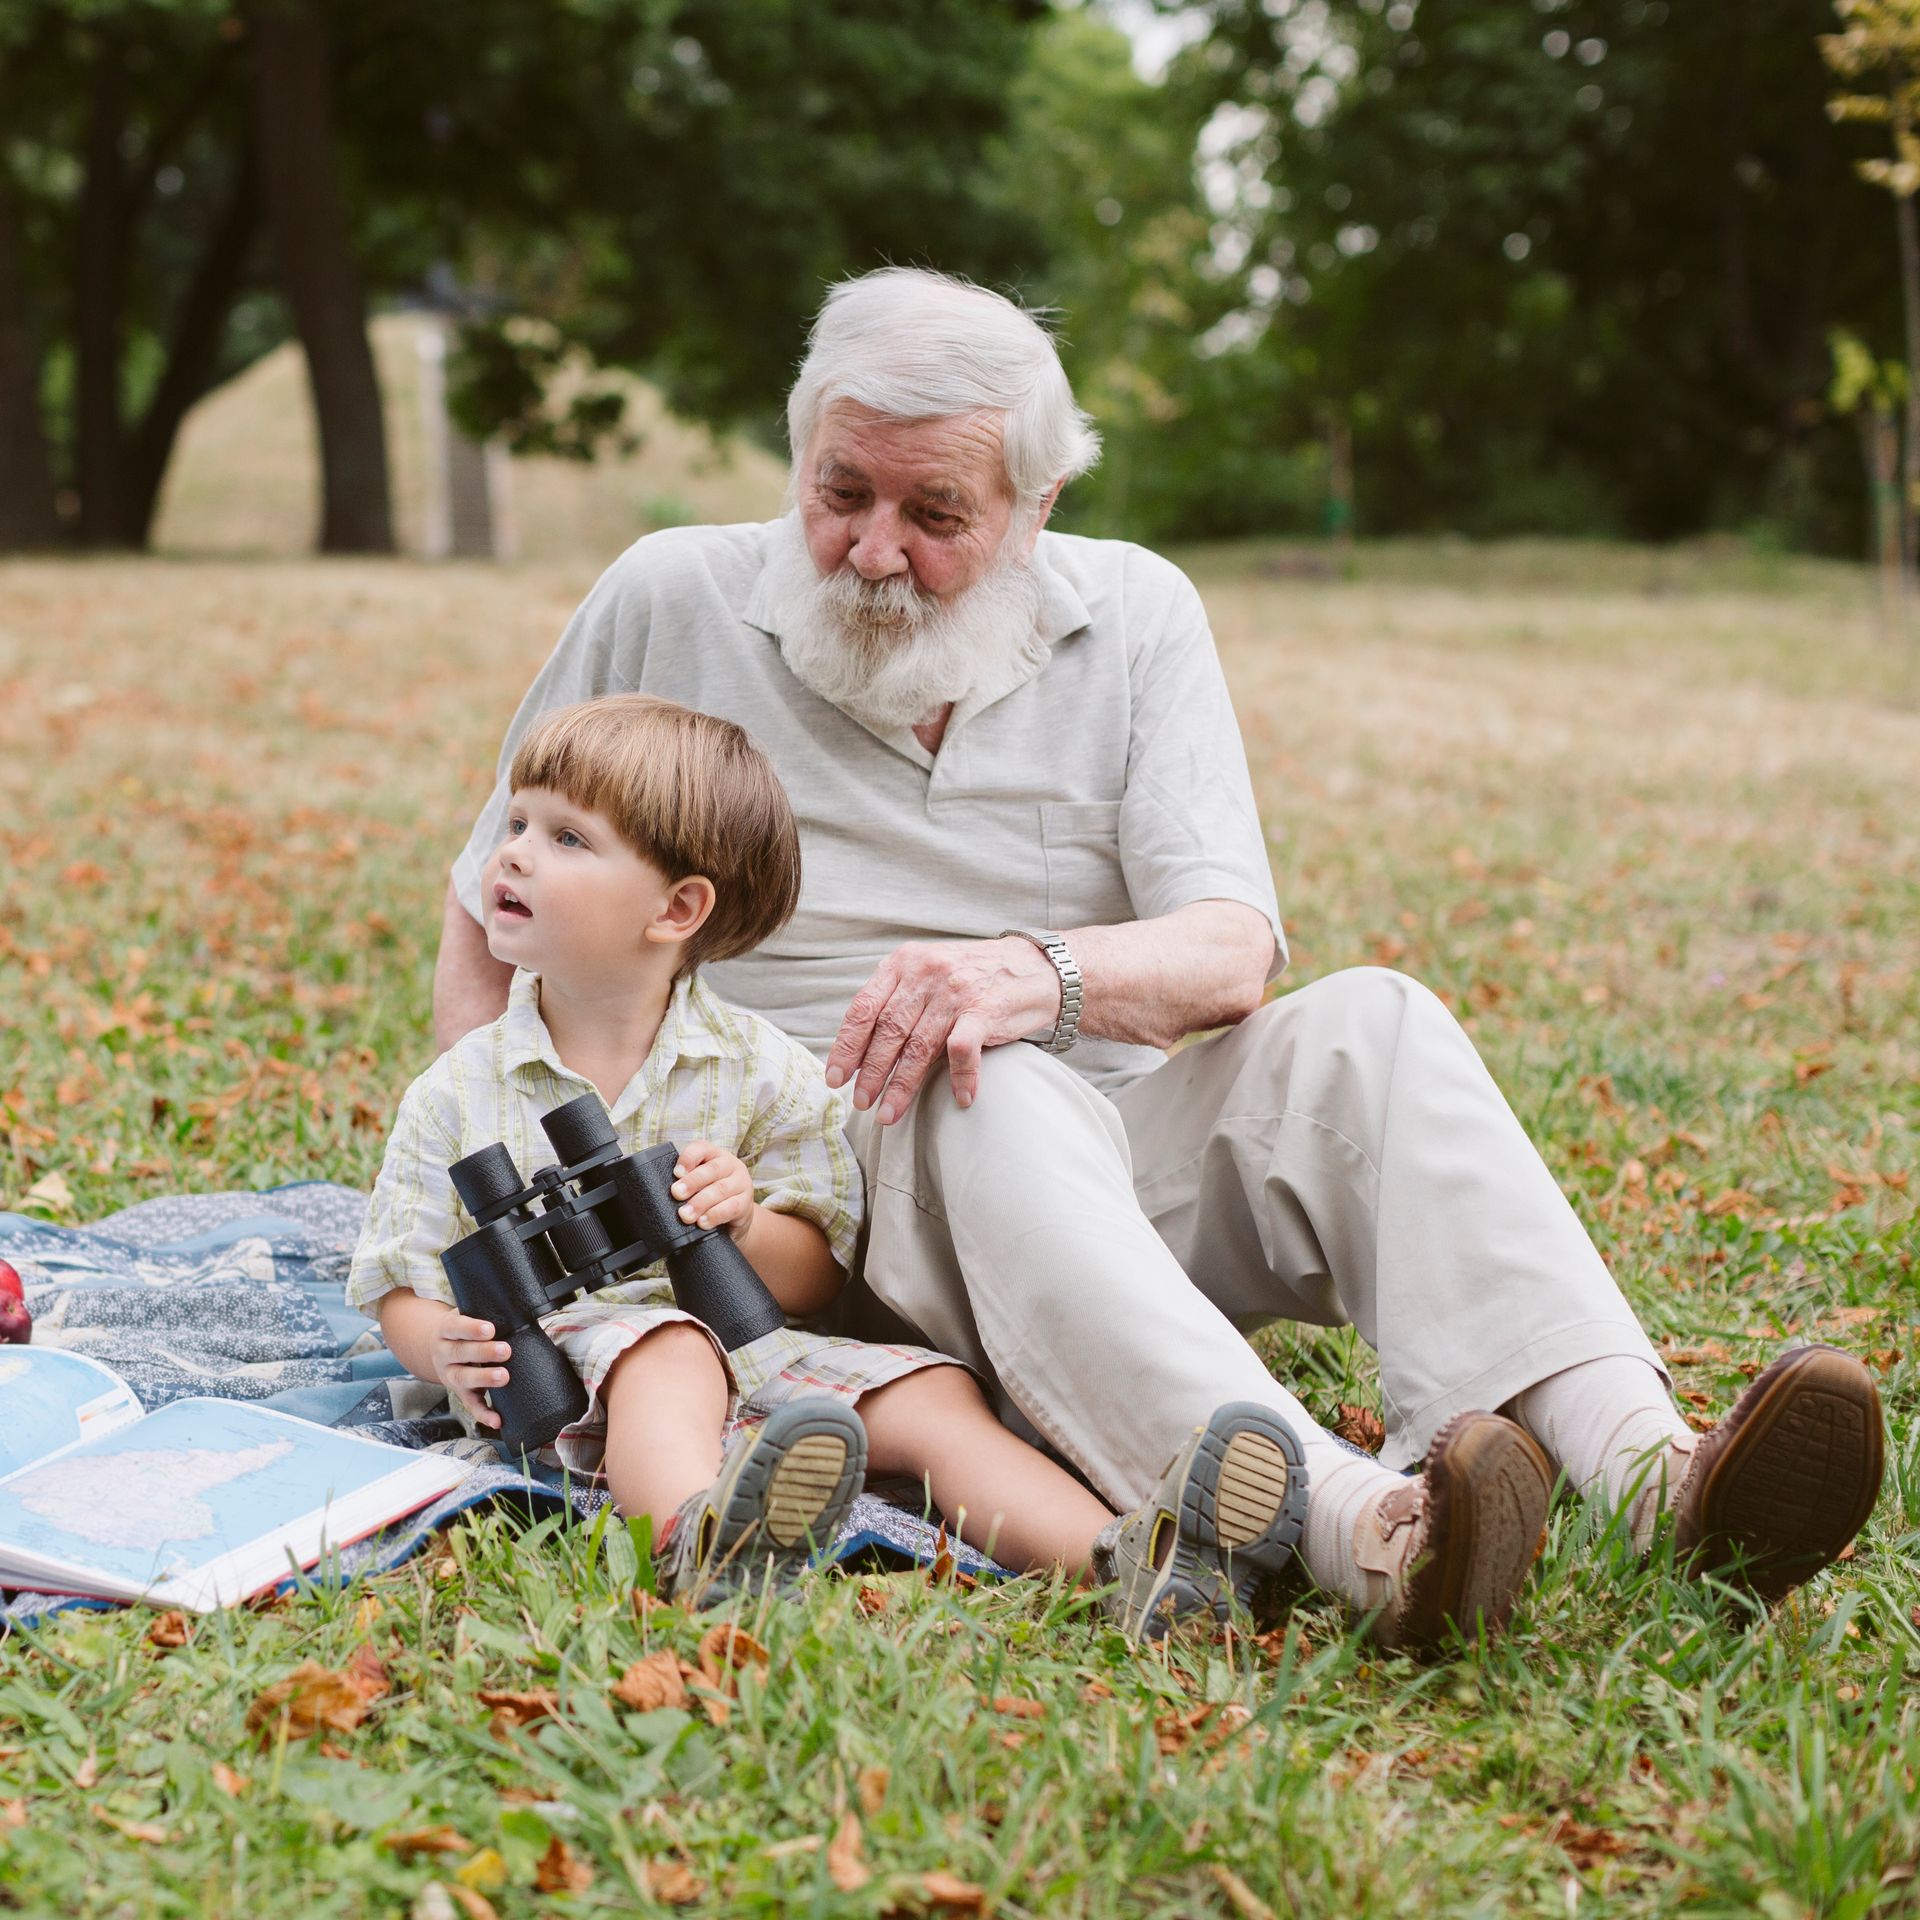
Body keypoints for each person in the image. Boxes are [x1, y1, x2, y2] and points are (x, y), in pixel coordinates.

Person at [430, 270, 1885, 1652]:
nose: (874, 551)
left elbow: (1229, 946)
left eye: (936, 511)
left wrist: (1035, 973)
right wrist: (480, 1188)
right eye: (841, 494)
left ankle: (1660, 1481)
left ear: (1038, 503)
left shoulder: (1135, 617)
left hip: (1097, 1197)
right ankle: (1370, 1534)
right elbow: (487, 912)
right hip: (803, 1222)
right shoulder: (670, 597)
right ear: (798, 454)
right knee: (971, 1076)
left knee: (1373, 1026)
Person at [351, 692, 1308, 1627]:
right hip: (574, 1374)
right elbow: (398, 1267)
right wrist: (434, 1344)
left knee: (933, 1396)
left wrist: (743, 1224)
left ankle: (1132, 1565)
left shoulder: (758, 1065)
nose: (511, 849)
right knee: (669, 1348)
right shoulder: (461, 1089)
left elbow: (818, 1271)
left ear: (678, 908)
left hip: (762, 1362)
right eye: (518, 820)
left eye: (566, 838)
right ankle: (702, 1545)